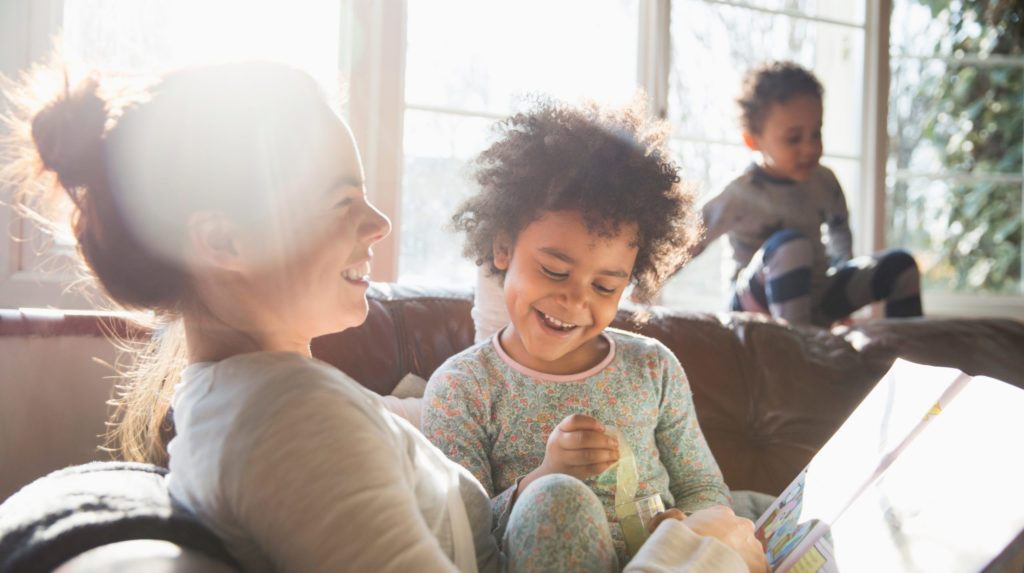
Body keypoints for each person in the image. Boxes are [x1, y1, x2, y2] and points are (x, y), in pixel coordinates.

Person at [3, 57, 764, 573]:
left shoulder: (255, 396)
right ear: (225, 240)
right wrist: (703, 555)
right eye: (341, 201)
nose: (379, 224)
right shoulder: (288, 424)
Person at [422, 96, 765, 572]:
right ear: (503, 247)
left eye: (605, 286)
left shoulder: (652, 367)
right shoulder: (461, 389)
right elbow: (459, 532)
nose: (577, 301)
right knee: (555, 498)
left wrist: (685, 523)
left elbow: (702, 486)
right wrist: (543, 478)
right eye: (554, 270)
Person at [689, 61, 922, 327]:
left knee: (901, 266)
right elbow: (686, 242)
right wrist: (643, 288)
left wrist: (843, 294)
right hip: (755, 310)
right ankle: (800, 352)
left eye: (816, 133)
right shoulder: (739, 193)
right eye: (793, 138)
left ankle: (909, 360)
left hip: (816, 299)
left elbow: (840, 237)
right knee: (791, 246)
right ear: (753, 140)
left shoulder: (825, 181)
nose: (810, 148)